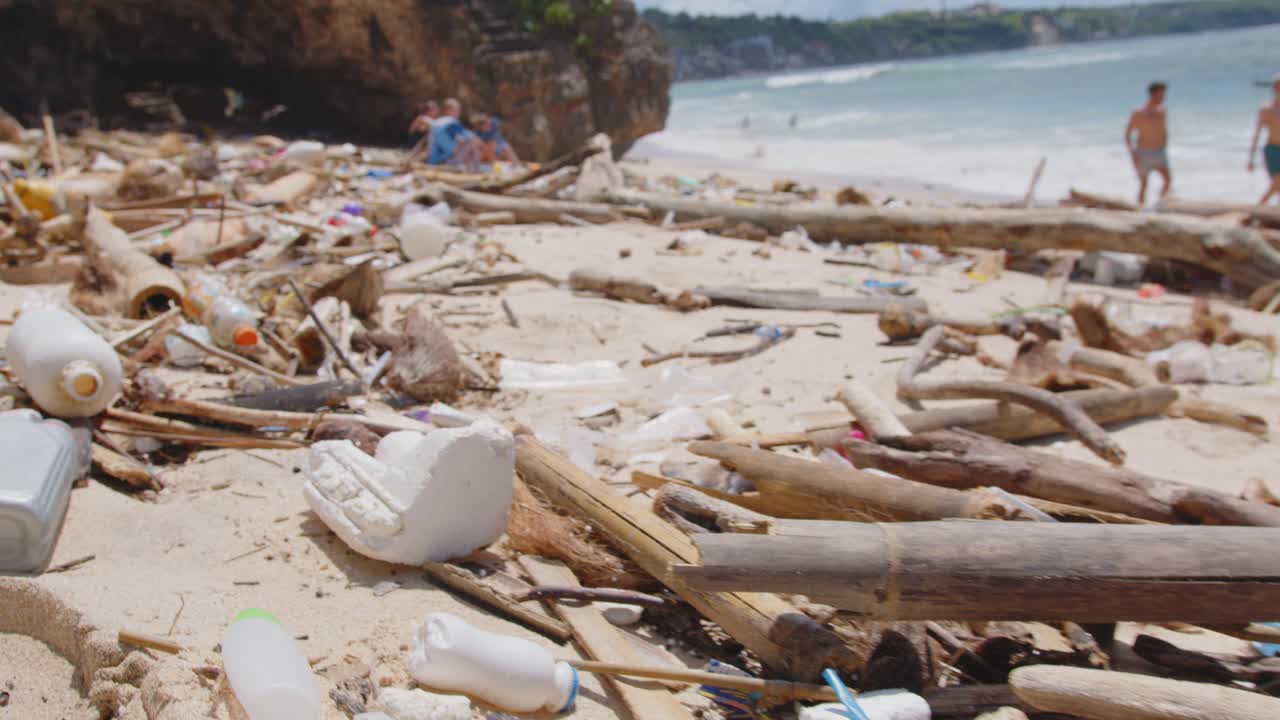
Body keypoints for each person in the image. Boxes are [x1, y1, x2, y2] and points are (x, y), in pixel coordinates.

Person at [1125, 82, 1172, 206]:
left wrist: (1164, 145)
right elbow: (1128, 134)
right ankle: (1139, 210)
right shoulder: (1139, 112)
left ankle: (1159, 204)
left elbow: (1163, 129)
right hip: (1143, 153)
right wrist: (1133, 154)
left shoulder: (1162, 110)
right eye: (1161, 95)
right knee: (1144, 185)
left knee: (1168, 180)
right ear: (1153, 94)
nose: (1163, 98)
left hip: (1159, 151)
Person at [1248, 74, 1280, 205]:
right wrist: (1251, 159)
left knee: (1277, 186)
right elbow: (1257, 135)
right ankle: (1255, 211)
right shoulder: (1265, 110)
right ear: (1273, 88)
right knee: (1277, 184)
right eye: (1277, 86)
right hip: (1272, 151)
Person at [427, 98, 480, 168]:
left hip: (432, 161)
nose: (459, 113)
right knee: (471, 141)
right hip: (443, 162)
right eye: (457, 110)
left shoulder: (437, 122)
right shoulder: (451, 122)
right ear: (448, 111)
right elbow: (471, 138)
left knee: (465, 142)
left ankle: (472, 166)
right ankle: (475, 168)